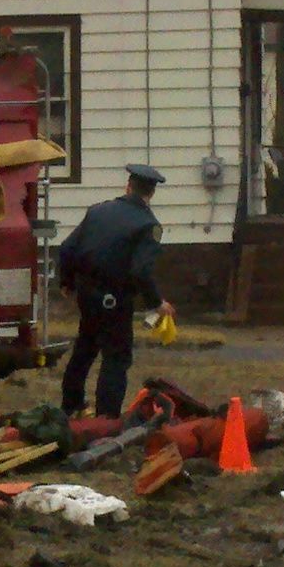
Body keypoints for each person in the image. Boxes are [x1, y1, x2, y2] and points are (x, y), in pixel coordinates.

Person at [58, 163, 177, 416]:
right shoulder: (148, 225)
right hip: (115, 300)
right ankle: (107, 416)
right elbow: (140, 271)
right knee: (116, 358)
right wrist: (156, 303)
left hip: (86, 293)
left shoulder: (97, 211)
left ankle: (70, 405)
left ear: (128, 186)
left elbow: (67, 248)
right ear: (151, 193)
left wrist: (67, 282)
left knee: (85, 349)